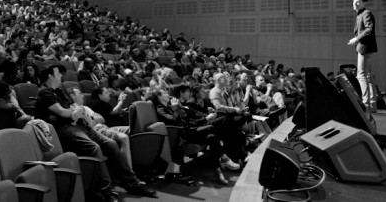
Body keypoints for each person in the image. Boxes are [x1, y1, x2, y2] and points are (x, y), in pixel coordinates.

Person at [34, 66, 155, 201]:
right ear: (50, 76)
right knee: (94, 147)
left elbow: (73, 108)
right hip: (63, 129)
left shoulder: (59, 91)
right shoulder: (44, 92)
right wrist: (75, 113)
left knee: (111, 143)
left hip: (78, 125)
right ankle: (105, 189)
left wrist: (77, 113)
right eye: (58, 73)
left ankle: (132, 183)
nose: (61, 75)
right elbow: (62, 112)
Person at [151, 88, 239, 185]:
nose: (167, 94)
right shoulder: (160, 109)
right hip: (182, 135)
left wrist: (179, 108)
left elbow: (186, 120)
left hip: (190, 131)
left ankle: (218, 173)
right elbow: (174, 121)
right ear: (159, 96)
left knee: (211, 137)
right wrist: (176, 107)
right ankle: (224, 157)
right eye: (164, 93)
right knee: (210, 127)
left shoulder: (170, 105)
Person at [348, 0, 378, 113]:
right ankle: (372, 104)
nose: (355, 4)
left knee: (361, 75)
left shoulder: (366, 13)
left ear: (364, 3)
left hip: (364, 48)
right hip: (364, 48)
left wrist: (356, 39)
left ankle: (366, 104)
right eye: (354, 1)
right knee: (368, 76)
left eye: (358, 2)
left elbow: (369, 29)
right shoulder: (361, 14)